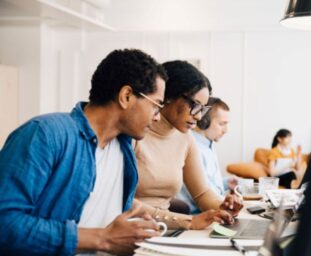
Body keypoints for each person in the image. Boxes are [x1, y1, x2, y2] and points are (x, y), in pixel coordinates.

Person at [0, 49, 167, 255]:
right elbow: (4, 223)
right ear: (126, 96)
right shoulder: (44, 134)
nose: (158, 117)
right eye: (156, 106)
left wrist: (132, 229)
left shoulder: (125, 147)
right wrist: (102, 239)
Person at [134, 61, 242, 230]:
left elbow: (202, 193)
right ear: (168, 96)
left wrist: (223, 206)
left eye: (203, 109)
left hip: (164, 228)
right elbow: (123, 202)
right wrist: (188, 221)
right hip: (136, 228)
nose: (199, 116)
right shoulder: (135, 133)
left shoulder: (185, 138)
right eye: (194, 106)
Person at [177, 97, 238, 214]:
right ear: (204, 121)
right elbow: (202, 194)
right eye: (222, 124)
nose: (226, 130)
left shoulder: (208, 143)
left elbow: (206, 181)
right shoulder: (193, 146)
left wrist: (226, 183)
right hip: (197, 214)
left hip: (213, 208)